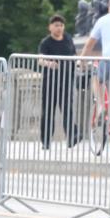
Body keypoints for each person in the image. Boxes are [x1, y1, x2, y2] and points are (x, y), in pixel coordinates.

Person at [38, 14, 79, 150]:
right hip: (50, 82)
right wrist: (50, 63)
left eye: (61, 25)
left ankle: (72, 137)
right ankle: (46, 141)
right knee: (48, 111)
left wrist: (79, 64)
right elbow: (40, 59)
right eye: (56, 25)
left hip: (66, 80)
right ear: (50, 27)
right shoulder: (46, 42)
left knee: (68, 109)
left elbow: (74, 55)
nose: (59, 28)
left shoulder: (68, 39)